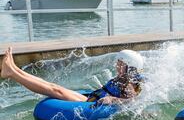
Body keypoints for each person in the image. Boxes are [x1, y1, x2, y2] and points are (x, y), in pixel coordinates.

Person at [1, 48, 144, 105]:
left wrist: (112, 99)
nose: (116, 66)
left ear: (128, 66)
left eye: (119, 64)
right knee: (53, 86)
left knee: (55, 90)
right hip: (92, 98)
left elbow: (132, 102)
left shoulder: (130, 83)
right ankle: (13, 69)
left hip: (90, 104)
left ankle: (13, 73)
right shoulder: (124, 78)